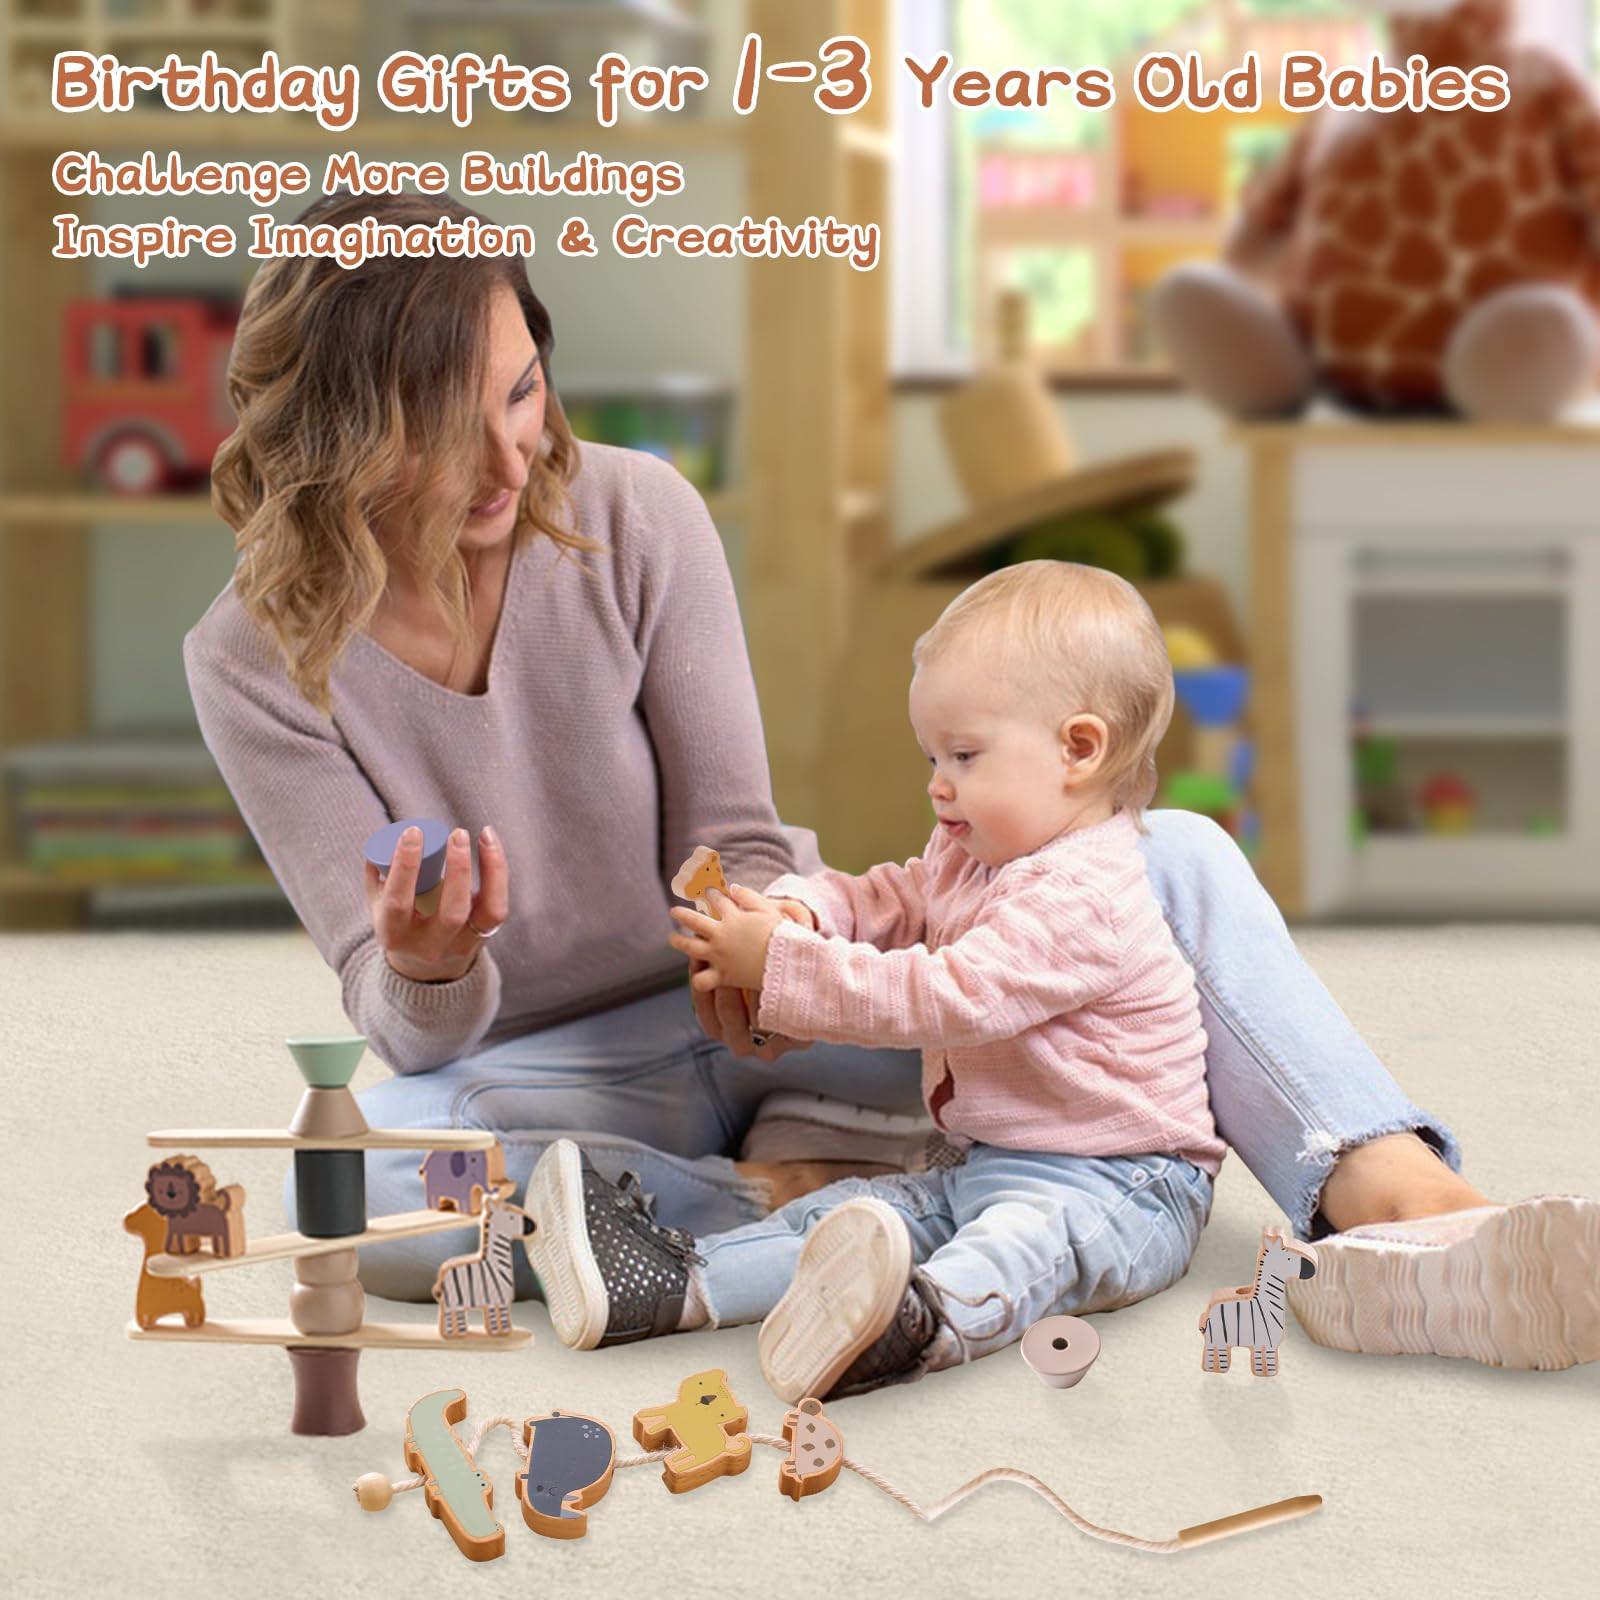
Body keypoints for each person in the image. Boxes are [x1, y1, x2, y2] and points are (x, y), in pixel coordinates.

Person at [184, 191, 1595, 1377]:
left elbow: (738, 835)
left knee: (1165, 863)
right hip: (559, 1075)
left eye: (524, 389)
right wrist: (430, 968)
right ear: (341, 432)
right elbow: (409, 1031)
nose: (512, 457)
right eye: (449, 426)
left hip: (785, 1007)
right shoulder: (252, 659)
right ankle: (790, 1194)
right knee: (353, 1185)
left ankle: (1403, 1209)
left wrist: (775, 946)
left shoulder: (633, 515)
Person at [528, 560, 1226, 1400]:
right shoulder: (978, 849)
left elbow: (947, 995)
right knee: (853, 1221)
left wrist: (782, 969)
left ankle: (921, 1323)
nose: (937, 784)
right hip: (993, 1156)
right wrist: (800, 916)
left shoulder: (1085, 895)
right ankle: (676, 1283)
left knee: (1026, 1241)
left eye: (964, 755)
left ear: (1079, 749)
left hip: (1126, 1181)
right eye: (933, 754)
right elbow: (893, 897)